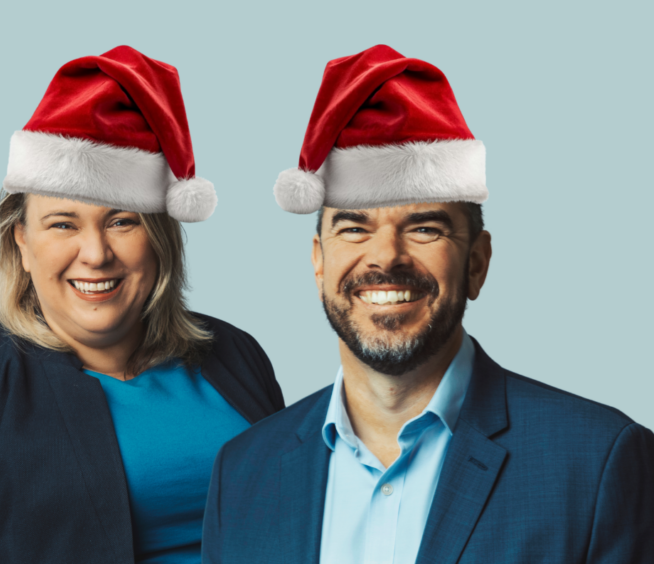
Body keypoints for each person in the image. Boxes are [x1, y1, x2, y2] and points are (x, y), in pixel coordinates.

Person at [202, 44, 654, 563]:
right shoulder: (242, 473)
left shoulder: (596, 462)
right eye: (354, 227)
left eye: (423, 228)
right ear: (319, 261)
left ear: (477, 263)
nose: (386, 258)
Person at [0, 45, 284, 563]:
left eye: (122, 221)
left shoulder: (234, 350)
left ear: (159, 238)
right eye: (63, 224)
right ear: (21, 243)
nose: (95, 254)